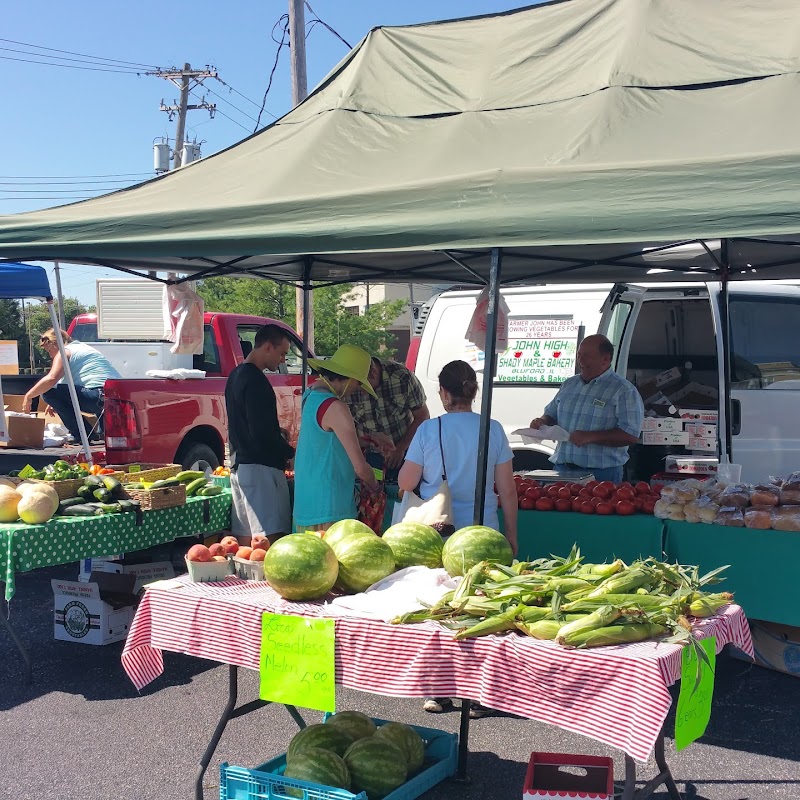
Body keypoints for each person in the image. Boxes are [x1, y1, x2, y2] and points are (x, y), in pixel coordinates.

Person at [398, 359, 518, 720]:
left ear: (444, 393)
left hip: (440, 534)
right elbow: (508, 490)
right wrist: (512, 537)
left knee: (440, 609)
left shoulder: (428, 431)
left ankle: (439, 690)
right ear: (473, 391)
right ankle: (481, 693)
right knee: (482, 611)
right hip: (484, 532)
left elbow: (405, 482)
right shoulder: (493, 429)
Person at [529, 334, 644, 484]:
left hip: (601, 475)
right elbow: (551, 414)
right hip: (561, 470)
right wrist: (541, 421)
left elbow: (630, 435)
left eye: (587, 356)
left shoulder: (624, 391)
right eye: (579, 355)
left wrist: (591, 436)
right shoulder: (569, 384)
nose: (581, 361)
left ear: (605, 359)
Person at [293, 344, 379, 531]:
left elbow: (325, 443)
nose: (356, 389)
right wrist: (375, 486)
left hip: (306, 505)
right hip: (331, 508)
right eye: (358, 383)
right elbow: (360, 467)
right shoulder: (336, 407)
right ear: (349, 378)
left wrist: (370, 438)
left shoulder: (310, 395)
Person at [225, 324, 296, 544]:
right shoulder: (256, 380)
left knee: (246, 540)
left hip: (240, 465)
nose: (283, 359)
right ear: (267, 347)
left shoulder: (235, 375)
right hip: (261, 468)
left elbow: (246, 422)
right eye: (282, 353)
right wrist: (289, 452)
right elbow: (261, 432)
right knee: (270, 539)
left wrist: (276, 431)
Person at [22, 329, 121, 443]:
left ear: (55, 344)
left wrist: (29, 396)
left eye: (49, 350)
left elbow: (51, 379)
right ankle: (99, 434)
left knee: (48, 393)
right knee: (108, 439)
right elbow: (69, 384)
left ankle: (82, 435)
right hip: (116, 396)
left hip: (97, 396)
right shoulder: (83, 348)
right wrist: (56, 402)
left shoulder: (64, 352)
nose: (50, 355)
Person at [347, 356, 430, 479]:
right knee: (372, 493)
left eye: (362, 385)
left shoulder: (402, 377)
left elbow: (423, 416)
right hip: (366, 455)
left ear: (374, 372)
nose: (361, 391)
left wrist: (401, 448)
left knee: (404, 493)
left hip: (405, 452)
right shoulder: (349, 384)